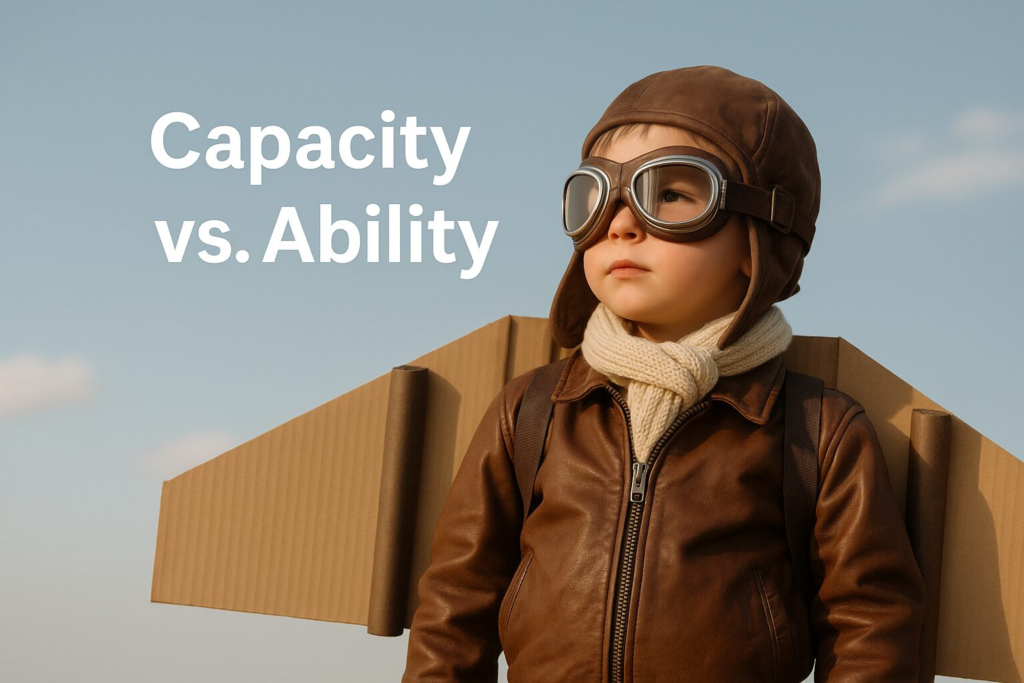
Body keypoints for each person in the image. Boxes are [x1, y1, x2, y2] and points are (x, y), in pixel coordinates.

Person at [401, 65, 926, 682]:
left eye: (670, 195)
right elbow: (456, 602)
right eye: (596, 197)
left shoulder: (816, 431)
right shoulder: (535, 410)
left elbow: (871, 623)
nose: (621, 223)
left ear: (761, 240)